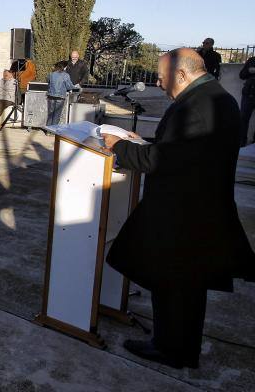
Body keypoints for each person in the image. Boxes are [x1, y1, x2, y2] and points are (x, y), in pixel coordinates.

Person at [102, 48, 255, 370]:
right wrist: (141, 139)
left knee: (175, 284)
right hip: (194, 209)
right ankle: (175, 345)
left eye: (161, 76)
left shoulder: (199, 105)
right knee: (182, 285)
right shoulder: (214, 98)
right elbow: (182, 148)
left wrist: (121, 148)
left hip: (185, 214)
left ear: (182, 75)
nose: (157, 82)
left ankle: (173, 350)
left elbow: (164, 160)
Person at [46, 61, 75, 126]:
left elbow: (48, 82)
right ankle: (53, 130)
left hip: (51, 96)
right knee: (57, 114)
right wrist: (74, 87)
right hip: (60, 97)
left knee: (50, 113)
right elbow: (69, 86)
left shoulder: (51, 74)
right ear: (64, 67)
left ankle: (48, 130)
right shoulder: (66, 75)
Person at [238, 55, 255, 146]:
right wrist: (248, 71)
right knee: (243, 118)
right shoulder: (252, 60)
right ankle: (241, 141)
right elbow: (242, 75)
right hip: (248, 94)